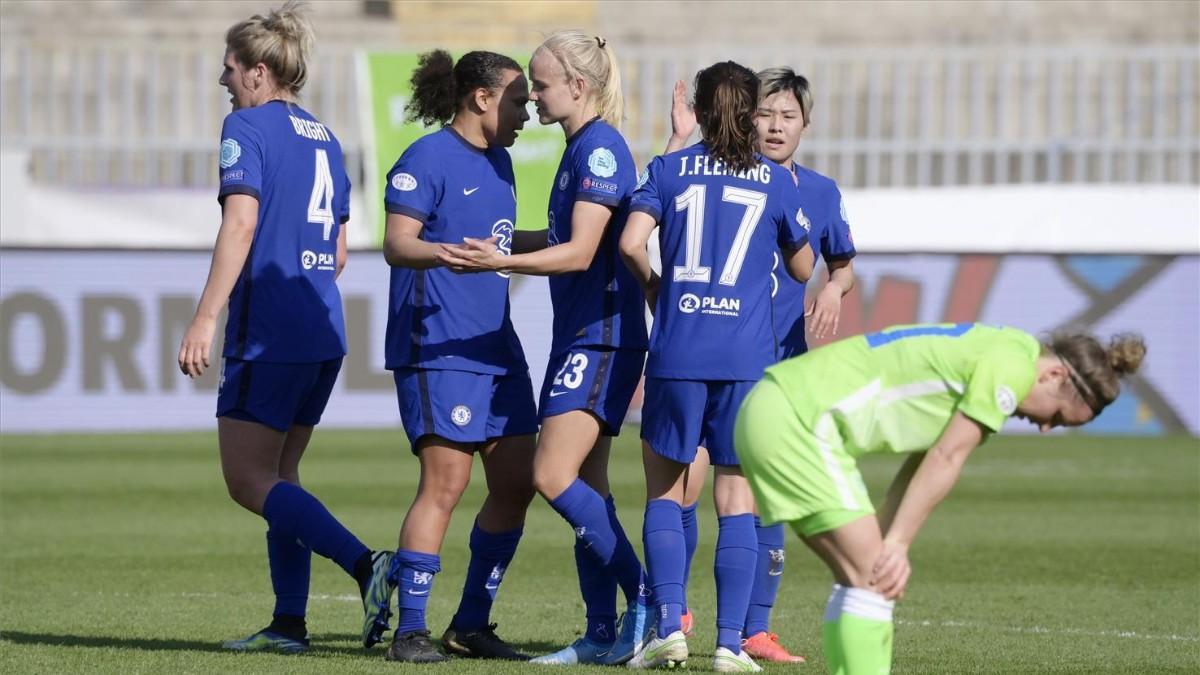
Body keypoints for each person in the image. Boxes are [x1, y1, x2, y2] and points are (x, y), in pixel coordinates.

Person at [736, 323, 1146, 674]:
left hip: (778, 409)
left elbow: (925, 459)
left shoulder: (1005, 349)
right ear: (1054, 375)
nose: (1043, 428)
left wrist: (890, 538)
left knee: (865, 576)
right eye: (1055, 417)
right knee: (874, 581)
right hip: (799, 421)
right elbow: (947, 457)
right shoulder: (1011, 367)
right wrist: (895, 546)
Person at [177, 1, 392, 655]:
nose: (224, 80)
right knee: (281, 477)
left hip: (268, 329)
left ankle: (367, 564)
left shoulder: (246, 127)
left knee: (247, 480)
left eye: (231, 67)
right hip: (322, 327)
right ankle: (289, 623)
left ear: (260, 72)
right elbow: (341, 249)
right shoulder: (324, 137)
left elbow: (240, 223)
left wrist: (206, 315)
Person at [436, 30, 652, 666]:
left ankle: (651, 601)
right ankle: (601, 632)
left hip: (603, 336)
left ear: (577, 87)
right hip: (580, 332)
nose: (530, 95)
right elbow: (560, 235)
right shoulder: (577, 147)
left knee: (549, 475)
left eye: (541, 83)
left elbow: (583, 252)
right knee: (588, 482)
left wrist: (501, 262)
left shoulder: (602, 150)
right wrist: (498, 242)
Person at [619, 60, 817, 672]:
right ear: (752, 112)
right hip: (747, 359)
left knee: (665, 493)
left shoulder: (670, 169)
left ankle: (669, 630)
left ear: (700, 111)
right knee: (737, 499)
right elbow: (806, 269)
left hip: (679, 350)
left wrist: (658, 289)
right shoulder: (774, 180)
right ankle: (731, 644)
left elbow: (629, 243)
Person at [665, 68, 857, 663]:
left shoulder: (819, 192)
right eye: (766, 114)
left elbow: (841, 264)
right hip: (722, 354)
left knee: (764, 493)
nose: (776, 126)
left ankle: (755, 628)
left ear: (805, 124)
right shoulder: (729, 175)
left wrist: (832, 289)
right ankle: (676, 609)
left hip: (781, 363)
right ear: (747, 116)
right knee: (692, 481)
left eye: (788, 117)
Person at [380, 48, 536, 664]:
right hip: (438, 343)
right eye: (519, 100)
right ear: (481, 98)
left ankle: (470, 624)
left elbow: (497, 240)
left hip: (496, 345)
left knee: (518, 481)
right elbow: (397, 243)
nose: (528, 113)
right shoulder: (425, 158)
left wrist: (566, 242)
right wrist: (446, 253)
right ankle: (410, 629)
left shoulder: (501, 162)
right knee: (446, 483)